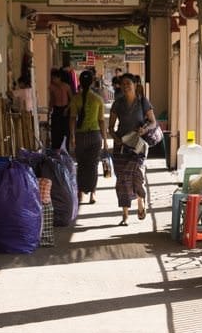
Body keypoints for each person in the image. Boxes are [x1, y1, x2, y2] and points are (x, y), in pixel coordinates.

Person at [108, 73, 157, 226]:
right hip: (121, 147)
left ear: (135, 84)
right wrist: (116, 139)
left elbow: (153, 122)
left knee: (138, 175)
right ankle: (125, 215)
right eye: (123, 84)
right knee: (122, 180)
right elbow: (110, 127)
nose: (125, 86)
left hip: (139, 146)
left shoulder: (143, 102)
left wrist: (145, 129)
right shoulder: (118, 103)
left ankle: (141, 201)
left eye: (128, 83)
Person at [69, 70, 108, 204]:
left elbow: (73, 119)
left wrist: (72, 136)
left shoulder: (75, 99)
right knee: (93, 166)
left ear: (80, 82)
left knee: (81, 165)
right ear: (92, 82)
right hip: (94, 136)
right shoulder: (98, 99)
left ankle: (80, 193)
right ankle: (93, 194)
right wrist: (105, 140)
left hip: (80, 136)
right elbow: (101, 121)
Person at [48, 68, 72, 150]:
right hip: (56, 110)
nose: (53, 80)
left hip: (65, 109)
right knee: (56, 131)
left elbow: (71, 100)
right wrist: (49, 111)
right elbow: (51, 100)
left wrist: (67, 109)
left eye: (55, 78)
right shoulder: (51, 87)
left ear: (59, 78)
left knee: (65, 131)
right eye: (52, 78)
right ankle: (55, 150)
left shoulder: (66, 86)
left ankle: (65, 149)